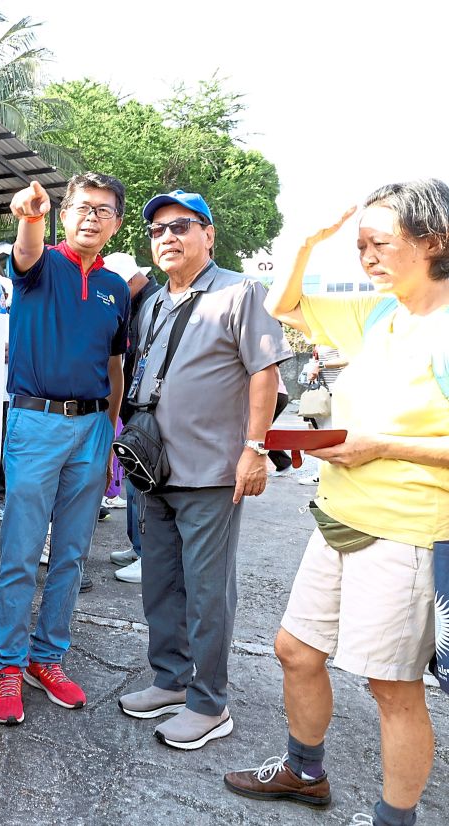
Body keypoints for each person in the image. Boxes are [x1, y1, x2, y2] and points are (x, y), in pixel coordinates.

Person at [224, 180, 449, 826]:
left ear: (433, 242)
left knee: (392, 689)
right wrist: (307, 244)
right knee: (295, 649)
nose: (366, 258)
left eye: (378, 243)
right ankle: (304, 771)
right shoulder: (382, 313)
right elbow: (282, 304)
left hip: (406, 532)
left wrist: (382, 445)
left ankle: (393, 820)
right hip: (339, 518)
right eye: (359, 246)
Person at [116, 189, 289, 750]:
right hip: (155, 469)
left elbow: (263, 372)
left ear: (208, 235)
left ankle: (209, 702)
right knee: (161, 583)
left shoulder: (240, 291)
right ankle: (170, 679)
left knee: (208, 590)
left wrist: (255, 448)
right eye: (157, 229)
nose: (167, 237)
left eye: (181, 226)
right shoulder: (154, 302)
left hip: (212, 472)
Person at [0, 173, 130, 726]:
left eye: (104, 210)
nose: (92, 217)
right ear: (64, 214)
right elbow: (24, 251)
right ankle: (7, 664)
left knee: (71, 554)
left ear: (116, 224)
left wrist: (110, 432)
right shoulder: (39, 264)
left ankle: (48, 658)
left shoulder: (115, 289)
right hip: (36, 422)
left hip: (92, 428)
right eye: (82, 208)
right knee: (22, 552)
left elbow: (116, 362)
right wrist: (29, 216)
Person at [103, 251, 161, 586]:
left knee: (142, 485)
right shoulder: (141, 303)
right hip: (134, 409)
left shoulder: (152, 303)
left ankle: (148, 556)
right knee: (133, 483)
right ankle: (138, 547)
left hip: (145, 410)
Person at [297, 343, 348, 486]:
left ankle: (327, 475)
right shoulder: (320, 337)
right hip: (323, 391)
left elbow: (347, 359)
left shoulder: (336, 336)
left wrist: (320, 365)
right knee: (321, 434)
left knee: (329, 436)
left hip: (335, 391)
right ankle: (323, 474)